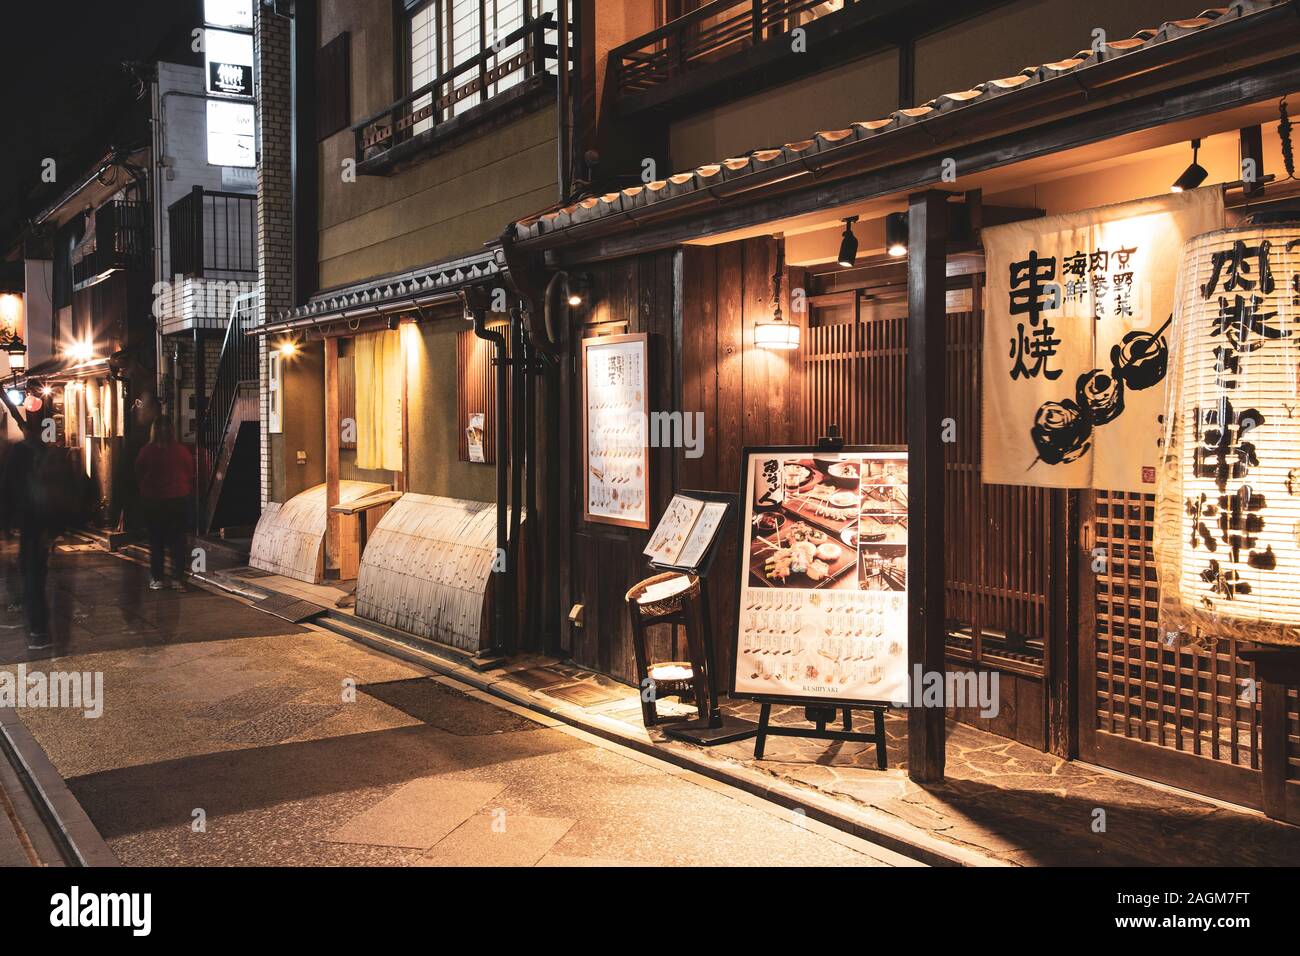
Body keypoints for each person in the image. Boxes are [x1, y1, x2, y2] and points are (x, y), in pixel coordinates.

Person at [135, 416, 194, 590]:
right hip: (177, 500)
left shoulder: (147, 451)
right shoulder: (181, 451)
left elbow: (138, 471)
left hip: (154, 501)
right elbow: (189, 471)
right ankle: (178, 578)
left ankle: (158, 578)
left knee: (156, 541)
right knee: (177, 542)